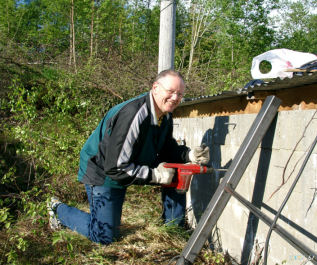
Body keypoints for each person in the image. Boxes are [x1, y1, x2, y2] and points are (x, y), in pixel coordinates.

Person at [47, 69, 210, 245]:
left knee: (178, 168)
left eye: (179, 94)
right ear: (155, 88)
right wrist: (154, 175)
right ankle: (58, 210)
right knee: (104, 237)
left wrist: (188, 155)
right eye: (170, 91)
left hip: (130, 163)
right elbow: (115, 167)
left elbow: (166, 148)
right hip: (103, 170)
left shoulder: (166, 114)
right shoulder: (133, 114)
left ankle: (172, 227)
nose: (175, 98)